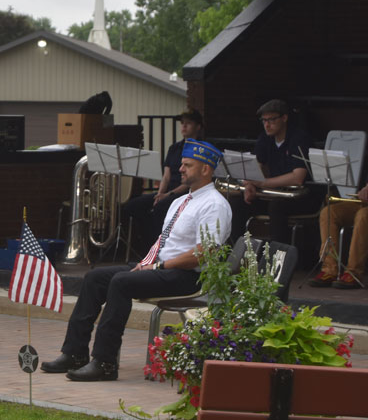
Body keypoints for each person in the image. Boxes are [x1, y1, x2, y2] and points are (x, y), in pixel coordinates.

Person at [40, 139, 232, 381]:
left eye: (187, 165)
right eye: (182, 164)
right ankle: (74, 353)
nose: (180, 169)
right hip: (162, 268)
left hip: (188, 276)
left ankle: (105, 362)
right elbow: (164, 241)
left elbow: (205, 253)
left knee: (121, 282)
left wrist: (159, 265)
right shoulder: (181, 200)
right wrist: (147, 263)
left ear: (206, 169)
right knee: (95, 277)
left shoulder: (215, 204)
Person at [310, 111, 368, 289]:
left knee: (364, 215)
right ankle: (329, 268)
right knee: (329, 212)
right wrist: (366, 189)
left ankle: (353, 273)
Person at [228, 99, 320, 245]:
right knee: (237, 203)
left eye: (271, 120)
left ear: (284, 118)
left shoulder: (299, 138)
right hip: (274, 194)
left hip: (301, 197)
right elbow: (255, 166)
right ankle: (235, 255)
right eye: (264, 120)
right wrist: (249, 184)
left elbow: (298, 177)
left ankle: (278, 258)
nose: (267, 124)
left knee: (277, 207)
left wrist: (264, 183)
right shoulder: (265, 138)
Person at [123, 110, 203, 252]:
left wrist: (168, 195)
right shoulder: (174, 148)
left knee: (160, 209)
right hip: (167, 191)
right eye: (182, 123)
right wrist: (160, 193)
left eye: (188, 124)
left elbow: (189, 181)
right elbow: (166, 176)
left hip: (184, 192)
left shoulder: (199, 149)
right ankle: (148, 246)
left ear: (198, 127)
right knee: (132, 206)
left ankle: (159, 249)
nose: (184, 127)